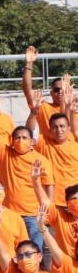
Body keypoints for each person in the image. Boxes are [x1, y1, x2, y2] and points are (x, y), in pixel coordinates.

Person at [0, 120, 54, 253]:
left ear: (32, 141)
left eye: (24, 137)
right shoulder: (5, 153)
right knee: (12, 251)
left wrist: (48, 212)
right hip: (9, 214)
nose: (20, 140)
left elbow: (49, 186)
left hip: (33, 215)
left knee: (34, 251)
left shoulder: (41, 160)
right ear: (12, 140)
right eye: (17, 137)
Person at [29, 75, 78, 212]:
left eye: (62, 127)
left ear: (68, 128)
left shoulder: (75, 143)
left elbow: (67, 120)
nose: (59, 130)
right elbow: (28, 132)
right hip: (54, 203)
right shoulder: (44, 143)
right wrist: (34, 112)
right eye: (55, 127)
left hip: (75, 201)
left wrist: (67, 105)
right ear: (49, 130)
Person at [23, 45, 66, 135]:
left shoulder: (74, 108)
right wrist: (29, 64)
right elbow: (27, 90)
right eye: (57, 90)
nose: (60, 92)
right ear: (51, 93)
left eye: (64, 89)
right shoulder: (44, 107)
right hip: (46, 147)